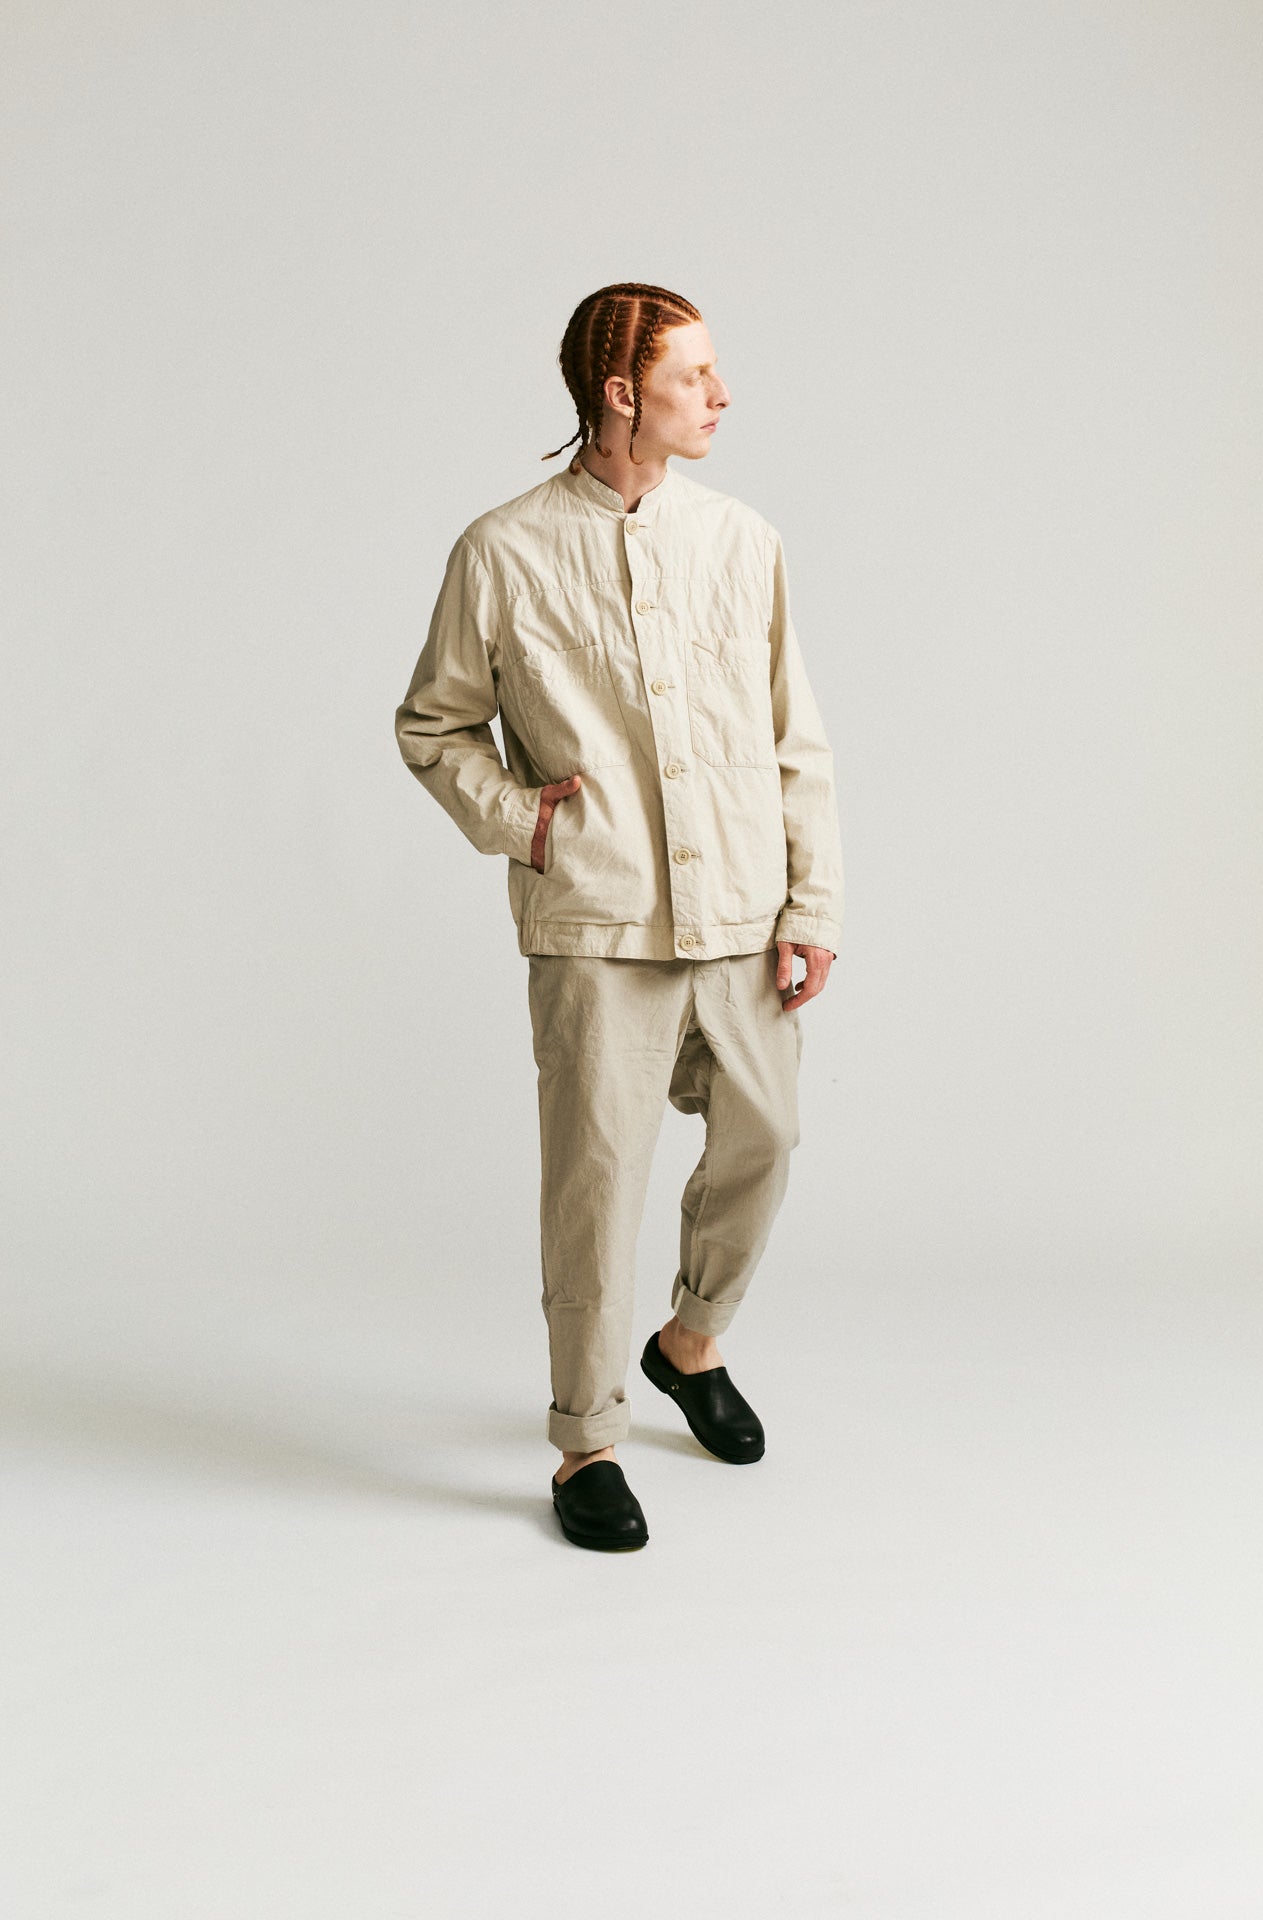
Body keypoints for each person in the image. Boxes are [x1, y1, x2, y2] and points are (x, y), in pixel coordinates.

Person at [394, 282, 843, 1552]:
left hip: (741, 914)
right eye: (694, 375)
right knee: (596, 1188)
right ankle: (584, 1441)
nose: (720, 395)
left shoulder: (742, 540)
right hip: (597, 924)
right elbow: (433, 725)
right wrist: (528, 825)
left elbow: (793, 736)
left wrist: (810, 900)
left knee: (765, 1139)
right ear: (620, 393)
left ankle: (687, 1345)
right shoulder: (502, 551)